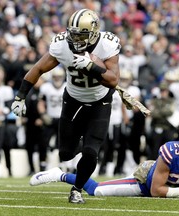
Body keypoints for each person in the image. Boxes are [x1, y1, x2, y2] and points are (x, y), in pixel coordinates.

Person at [11, 9, 121, 204]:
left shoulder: (107, 44)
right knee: (66, 153)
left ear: (94, 33)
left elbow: (113, 80)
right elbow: (38, 68)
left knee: (90, 152)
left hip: (100, 102)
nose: (75, 38)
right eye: (73, 33)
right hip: (73, 100)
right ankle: (71, 160)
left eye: (81, 34)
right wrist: (20, 97)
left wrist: (92, 66)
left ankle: (77, 189)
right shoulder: (62, 45)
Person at [29, 118, 179, 200]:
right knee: (96, 191)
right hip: (145, 183)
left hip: (167, 184)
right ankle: (60, 175)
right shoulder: (171, 151)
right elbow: (154, 191)